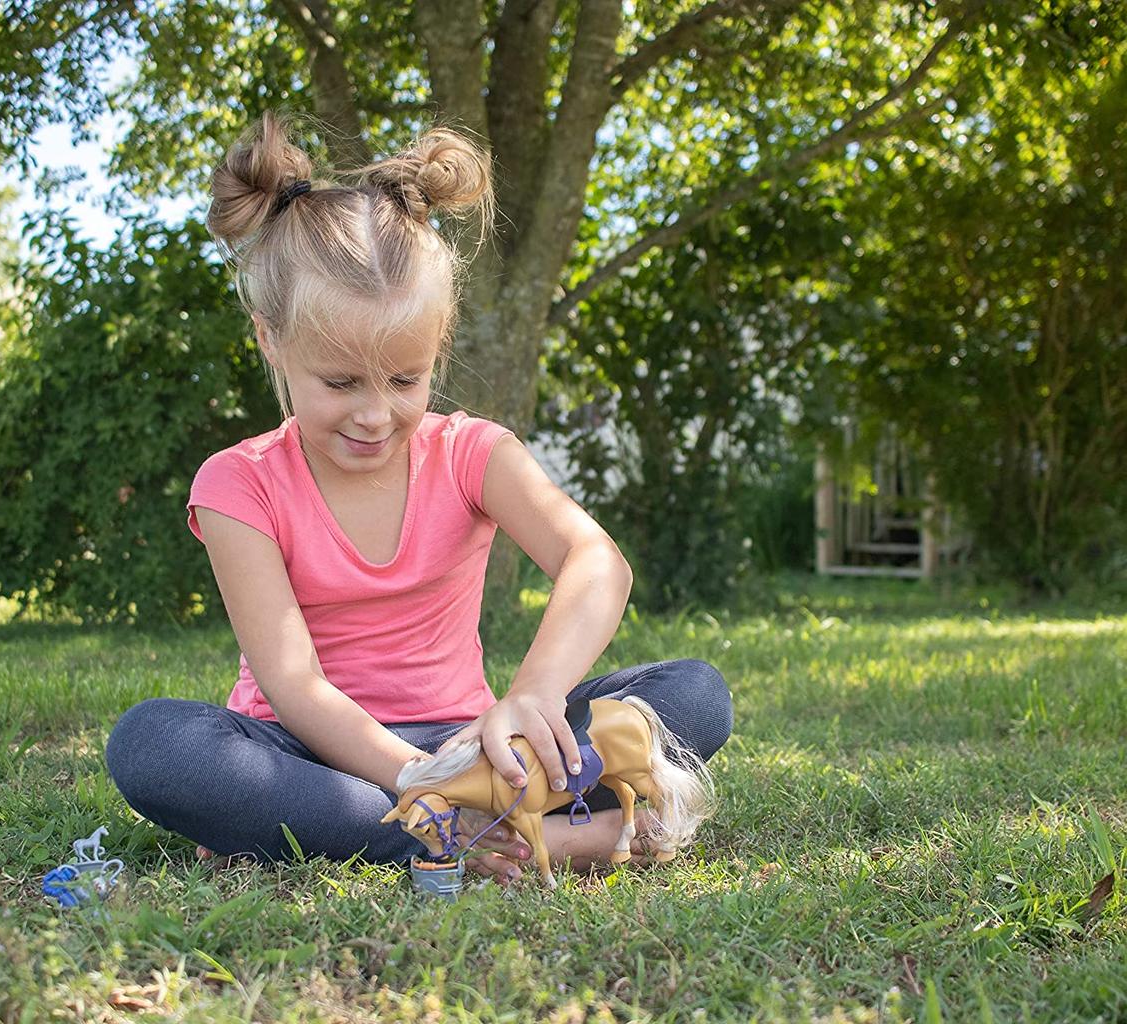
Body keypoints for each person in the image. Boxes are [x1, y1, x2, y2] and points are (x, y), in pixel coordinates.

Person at [104, 112, 733, 888]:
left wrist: (531, 697)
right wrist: (420, 780)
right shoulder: (239, 483)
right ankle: (531, 836)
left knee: (694, 693)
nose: (375, 415)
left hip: (477, 744)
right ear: (271, 339)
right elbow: (293, 685)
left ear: (437, 344)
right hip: (311, 752)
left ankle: (405, 830)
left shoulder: (472, 451)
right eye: (340, 383)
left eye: (405, 380)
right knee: (155, 746)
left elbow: (593, 560)